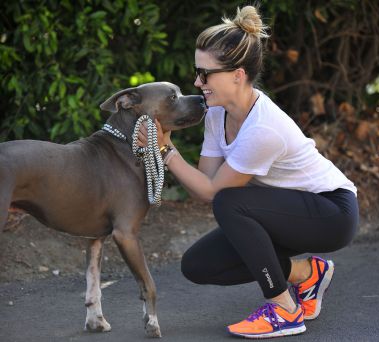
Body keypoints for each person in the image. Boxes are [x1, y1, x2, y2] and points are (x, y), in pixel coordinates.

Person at [139, 5, 359, 339]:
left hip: (331, 213)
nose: (198, 82)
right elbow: (203, 187)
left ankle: (284, 309)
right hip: (285, 210)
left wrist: (165, 149)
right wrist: (166, 148)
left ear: (237, 75)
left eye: (206, 74)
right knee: (197, 265)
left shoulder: (263, 128)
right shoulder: (217, 114)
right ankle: (306, 274)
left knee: (229, 202)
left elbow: (215, 193)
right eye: (198, 72)